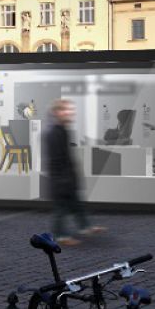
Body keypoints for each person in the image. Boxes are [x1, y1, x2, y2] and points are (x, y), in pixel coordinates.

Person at [44, 99, 104, 245]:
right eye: (65, 110)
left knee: (77, 204)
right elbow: (57, 160)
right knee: (61, 209)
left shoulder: (64, 130)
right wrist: (63, 181)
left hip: (67, 177)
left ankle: (85, 227)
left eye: (71, 110)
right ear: (56, 112)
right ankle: (60, 236)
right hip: (60, 180)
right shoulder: (53, 133)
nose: (69, 113)